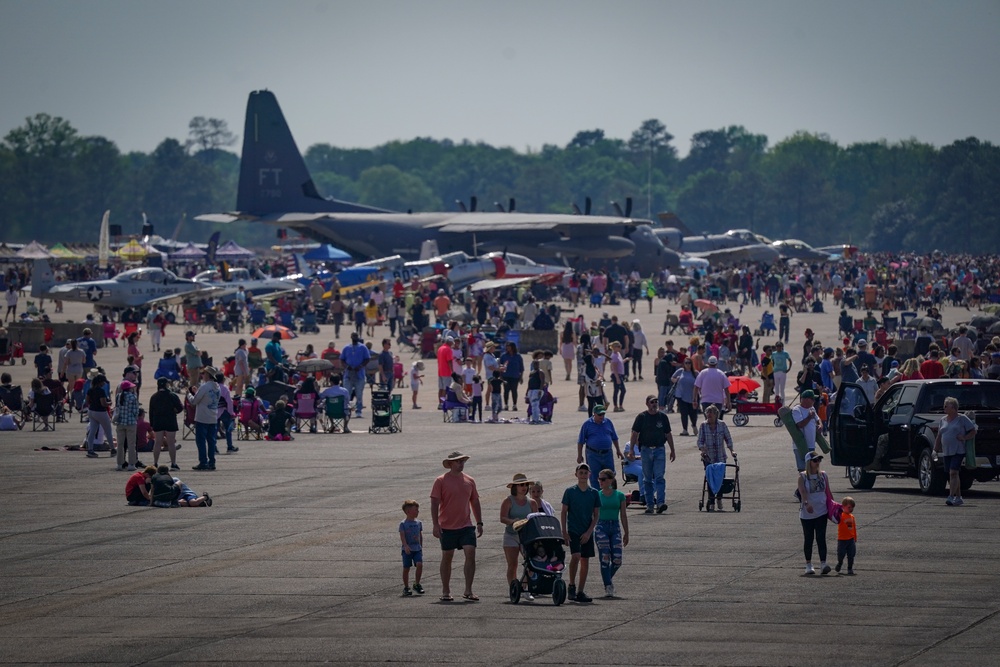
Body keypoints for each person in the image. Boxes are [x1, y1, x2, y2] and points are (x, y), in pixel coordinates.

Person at [430, 451, 483, 602]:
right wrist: (435, 524)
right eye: (458, 462)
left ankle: (468, 590)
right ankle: (446, 591)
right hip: (446, 526)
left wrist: (479, 522)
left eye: (462, 461)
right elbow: (434, 503)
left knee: (470, 552)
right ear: (451, 464)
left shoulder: (469, 480)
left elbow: (475, 501)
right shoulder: (440, 481)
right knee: (447, 557)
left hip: (466, 525)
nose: (461, 464)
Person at [560, 463, 601, 603]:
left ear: (589, 474)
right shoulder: (570, 491)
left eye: (585, 473)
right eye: (581, 472)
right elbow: (564, 512)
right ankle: (571, 585)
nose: (583, 475)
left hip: (587, 531)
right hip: (574, 529)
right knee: (576, 556)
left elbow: (596, 515)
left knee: (585, 559)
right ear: (576, 474)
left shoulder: (594, 493)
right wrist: (564, 532)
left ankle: (580, 591)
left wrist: (589, 532)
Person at [629, 395, 676, 515]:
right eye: (652, 402)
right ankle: (649, 505)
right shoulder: (641, 417)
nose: (654, 404)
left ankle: (660, 503)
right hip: (645, 450)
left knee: (660, 477)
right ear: (647, 404)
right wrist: (631, 450)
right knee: (648, 479)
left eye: (656, 402)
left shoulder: (663, 417)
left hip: (659, 449)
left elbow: (668, 434)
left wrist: (672, 450)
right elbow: (634, 433)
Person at [500, 473, 539, 599]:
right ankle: (514, 589)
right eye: (521, 485)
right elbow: (502, 518)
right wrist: (512, 521)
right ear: (515, 487)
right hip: (511, 535)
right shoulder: (508, 500)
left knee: (531, 563)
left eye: (525, 485)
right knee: (513, 564)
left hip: (526, 537)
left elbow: (536, 519)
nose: (524, 487)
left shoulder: (532, 503)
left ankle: (525, 587)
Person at [935, 396, 977, 507]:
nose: (944, 407)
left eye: (946, 405)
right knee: (952, 474)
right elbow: (939, 435)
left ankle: (951, 496)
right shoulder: (943, 420)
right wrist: (935, 450)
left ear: (953, 408)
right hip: (947, 451)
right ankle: (958, 497)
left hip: (958, 450)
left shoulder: (962, 418)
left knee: (953, 472)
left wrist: (964, 437)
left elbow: (973, 431)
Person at [595, 469, 629, 598]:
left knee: (617, 559)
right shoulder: (597, 495)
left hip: (615, 527)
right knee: (605, 558)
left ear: (610, 480)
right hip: (601, 527)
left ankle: (607, 577)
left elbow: (624, 515)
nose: (600, 482)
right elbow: (593, 514)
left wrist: (627, 533)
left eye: (603, 479)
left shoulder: (619, 495)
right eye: (599, 479)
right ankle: (608, 585)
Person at [797, 451, 832, 576]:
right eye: (815, 460)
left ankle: (823, 563)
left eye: (819, 460)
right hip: (807, 513)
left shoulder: (823, 475)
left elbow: (828, 492)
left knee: (821, 537)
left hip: (822, 510)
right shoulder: (802, 477)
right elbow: (802, 491)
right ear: (809, 462)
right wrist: (806, 503)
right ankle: (808, 564)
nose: (818, 463)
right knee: (809, 538)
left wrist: (833, 507)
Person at [697, 404, 735, 511]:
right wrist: (702, 449)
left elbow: (728, 438)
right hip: (709, 458)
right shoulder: (703, 426)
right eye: (707, 415)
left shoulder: (722, 425)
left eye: (711, 414)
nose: (709, 416)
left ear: (716, 415)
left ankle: (719, 498)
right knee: (710, 479)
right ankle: (712, 501)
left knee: (720, 479)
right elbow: (700, 441)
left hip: (720, 457)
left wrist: (732, 450)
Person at [577, 405, 622, 489]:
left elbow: (614, 437)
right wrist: (579, 455)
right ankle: (597, 496)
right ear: (594, 414)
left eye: (603, 414)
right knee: (594, 476)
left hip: (607, 453)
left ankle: (611, 495)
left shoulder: (608, 422)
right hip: (593, 454)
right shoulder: (587, 424)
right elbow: (580, 441)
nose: (602, 416)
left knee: (610, 475)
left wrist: (618, 450)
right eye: (599, 415)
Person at [189, 367, 220, 471]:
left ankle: (203, 462)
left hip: (202, 417)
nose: (202, 375)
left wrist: (189, 394)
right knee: (211, 441)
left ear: (208, 375)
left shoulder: (205, 386)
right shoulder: (217, 387)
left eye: (204, 373)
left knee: (201, 441)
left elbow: (194, 401)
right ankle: (212, 462)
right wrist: (197, 391)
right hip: (213, 417)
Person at [149, 377, 183, 470]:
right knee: (171, 443)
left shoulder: (154, 396)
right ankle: (173, 463)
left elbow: (151, 411)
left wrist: (152, 424)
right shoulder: (172, 395)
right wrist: (174, 410)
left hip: (158, 421)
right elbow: (180, 407)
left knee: (157, 443)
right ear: (167, 384)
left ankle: (155, 463)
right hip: (170, 420)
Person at [113, 380, 142, 471]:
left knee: (120, 444)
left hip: (120, 423)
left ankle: (119, 464)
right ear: (129, 388)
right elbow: (135, 411)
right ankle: (131, 464)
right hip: (131, 423)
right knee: (131, 445)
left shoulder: (118, 396)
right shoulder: (133, 397)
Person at [341, 332, 370, 418]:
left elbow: (367, 359)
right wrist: (346, 366)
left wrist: (360, 366)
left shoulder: (363, 347)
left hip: (359, 373)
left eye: (356, 336)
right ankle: (346, 410)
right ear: (351, 337)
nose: (354, 337)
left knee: (359, 393)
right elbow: (342, 359)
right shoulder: (346, 348)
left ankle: (359, 410)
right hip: (348, 374)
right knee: (347, 393)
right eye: (353, 336)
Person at [399, 499, 425, 596]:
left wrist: (421, 547)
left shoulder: (418, 523)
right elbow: (402, 536)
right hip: (407, 550)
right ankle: (406, 587)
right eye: (416, 510)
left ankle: (417, 583)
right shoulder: (403, 524)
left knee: (419, 564)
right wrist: (405, 546)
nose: (417, 512)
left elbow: (420, 535)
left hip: (417, 548)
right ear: (408, 511)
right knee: (406, 568)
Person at [85, 374, 113, 459]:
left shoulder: (90, 390)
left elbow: (87, 400)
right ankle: (113, 449)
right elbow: (103, 403)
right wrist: (109, 403)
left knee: (92, 431)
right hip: (100, 412)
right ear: (101, 382)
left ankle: (90, 449)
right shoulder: (101, 391)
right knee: (108, 430)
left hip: (91, 411)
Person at [671, 358, 699, 435]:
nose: (687, 365)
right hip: (681, 396)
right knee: (684, 413)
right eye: (686, 363)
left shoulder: (695, 373)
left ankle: (694, 425)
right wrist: (675, 380)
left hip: (693, 396)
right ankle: (685, 429)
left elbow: (700, 382)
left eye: (689, 363)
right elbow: (672, 378)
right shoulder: (680, 371)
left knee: (693, 413)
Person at [835, 496, 858, 575]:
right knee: (841, 554)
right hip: (842, 539)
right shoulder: (841, 515)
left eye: (852, 508)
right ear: (843, 506)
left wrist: (855, 537)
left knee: (851, 554)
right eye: (849, 507)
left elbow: (853, 528)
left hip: (850, 539)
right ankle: (840, 563)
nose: (851, 509)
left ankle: (850, 568)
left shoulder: (852, 517)